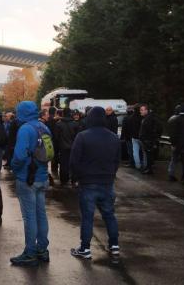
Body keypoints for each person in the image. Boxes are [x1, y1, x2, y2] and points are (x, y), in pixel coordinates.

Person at [69, 107, 121, 263]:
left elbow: (74, 160)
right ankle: (114, 245)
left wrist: (76, 177)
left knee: (87, 217)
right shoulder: (113, 137)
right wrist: (111, 174)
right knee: (109, 215)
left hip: (88, 182)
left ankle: (85, 248)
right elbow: (117, 161)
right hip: (107, 182)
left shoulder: (82, 136)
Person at [9, 101, 51, 267]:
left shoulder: (25, 129)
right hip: (42, 177)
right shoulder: (44, 127)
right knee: (41, 214)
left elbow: (19, 156)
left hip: (27, 178)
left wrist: (14, 168)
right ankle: (42, 249)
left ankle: (30, 253)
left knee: (29, 217)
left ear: (22, 113)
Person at [168, 103, 184, 183]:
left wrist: (173, 143)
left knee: (174, 159)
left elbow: (173, 133)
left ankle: (171, 174)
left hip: (178, 144)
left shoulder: (174, 119)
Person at [55, 107, 80, 185]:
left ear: (63, 113)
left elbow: (56, 137)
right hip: (73, 147)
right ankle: (74, 179)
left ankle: (63, 180)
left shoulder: (58, 124)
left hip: (62, 148)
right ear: (70, 113)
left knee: (63, 164)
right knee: (73, 163)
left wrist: (57, 148)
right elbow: (78, 137)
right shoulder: (75, 124)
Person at [139, 104, 162, 175]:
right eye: (140, 110)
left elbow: (151, 130)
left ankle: (149, 169)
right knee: (148, 155)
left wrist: (150, 139)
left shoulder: (149, 119)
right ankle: (148, 168)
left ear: (147, 110)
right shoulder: (147, 118)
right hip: (147, 140)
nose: (141, 112)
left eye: (142, 110)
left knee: (149, 155)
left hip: (148, 140)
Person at [129, 104, 144, 170]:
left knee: (135, 152)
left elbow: (130, 127)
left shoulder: (131, 117)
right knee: (143, 152)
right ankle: (144, 164)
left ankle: (137, 165)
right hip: (142, 137)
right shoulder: (142, 117)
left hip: (134, 137)